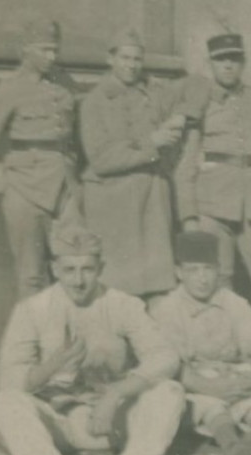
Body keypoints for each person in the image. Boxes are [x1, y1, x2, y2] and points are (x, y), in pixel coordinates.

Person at [0, 225, 186, 455]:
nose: (79, 280)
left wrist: (116, 393)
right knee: (5, 402)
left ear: (101, 268)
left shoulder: (122, 304)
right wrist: (52, 365)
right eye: (69, 270)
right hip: (60, 422)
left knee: (170, 390)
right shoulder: (32, 309)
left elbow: (165, 357)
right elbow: (10, 379)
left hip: (113, 421)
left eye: (87, 270)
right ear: (54, 269)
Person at [153, 231, 251, 455]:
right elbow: (171, 363)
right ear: (179, 272)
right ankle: (232, 447)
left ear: (218, 270)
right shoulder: (167, 309)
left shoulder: (232, 302)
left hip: (232, 374)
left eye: (208, 269)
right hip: (196, 381)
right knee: (208, 405)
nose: (202, 278)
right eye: (193, 270)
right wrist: (210, 386)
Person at [175, 33, 251, 336]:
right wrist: (189, 217)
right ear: (211, 64)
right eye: (221, 59)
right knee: (221, 283)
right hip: (213, 207)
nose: (228, 65)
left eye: (234, 58)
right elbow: (185, 167)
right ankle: (227, 347)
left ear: (243, 62)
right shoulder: (200, 103)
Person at [80, 26, 191, 302]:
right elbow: (101, 159)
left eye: (137, 59)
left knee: (156, 287)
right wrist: (152, 142)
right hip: (114, 205)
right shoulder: (95, 101)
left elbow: (196, 90)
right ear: (110, 59)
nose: (131, 65)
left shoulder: (155, 93)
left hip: (152, 200)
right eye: (125, 58)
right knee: (117, 290)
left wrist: (179, 118)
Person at [0, 19, 81, 299]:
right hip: (25, 190)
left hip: (65, 188)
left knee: (74, 265)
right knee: (31, 275)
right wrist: (4, 184)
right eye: (45, 50)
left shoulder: (65, 83)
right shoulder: (9, 89)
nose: (52, 57)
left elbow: (75, 138)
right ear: (26, 50)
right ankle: (37, 340)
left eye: (55, 50)